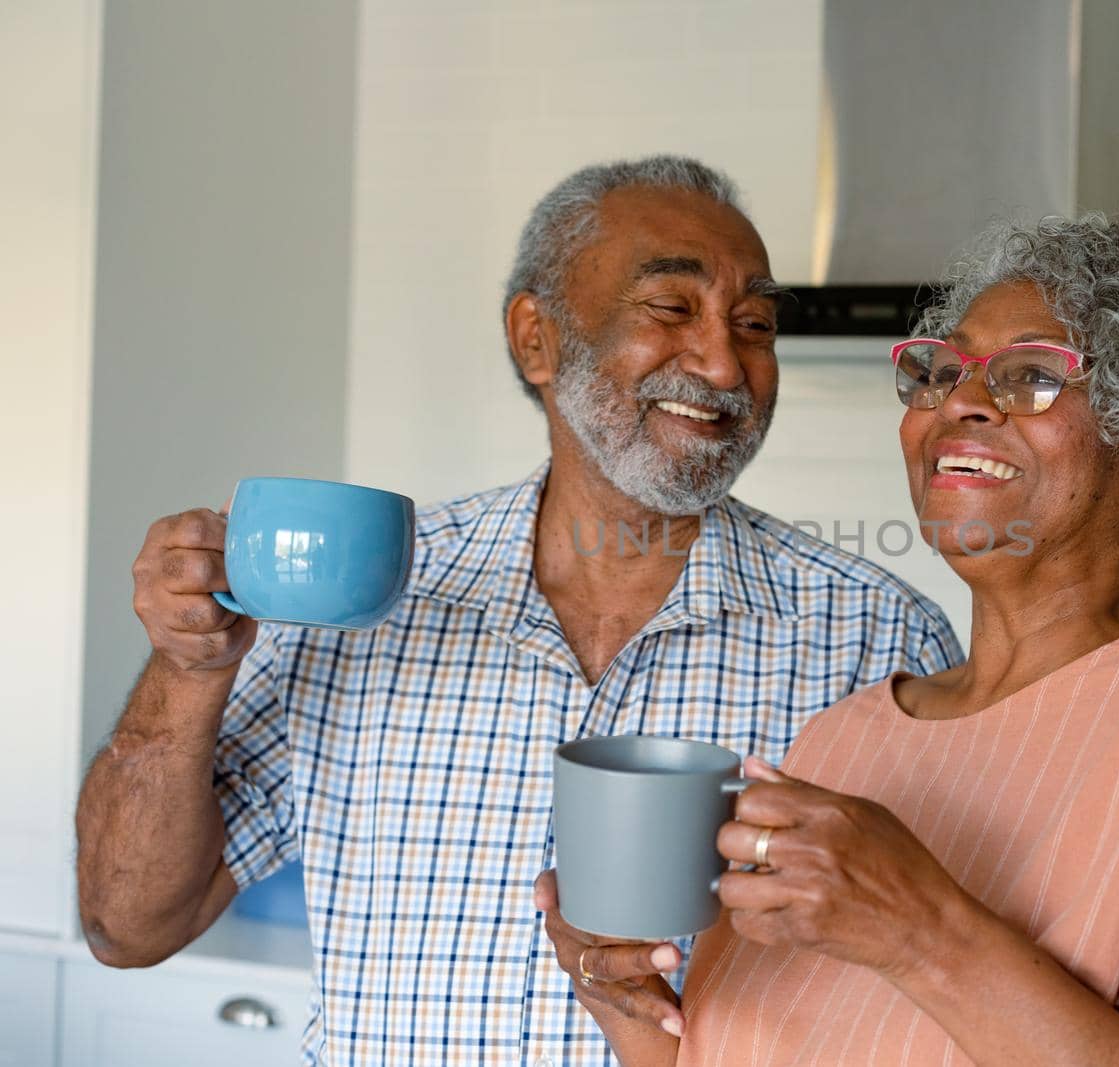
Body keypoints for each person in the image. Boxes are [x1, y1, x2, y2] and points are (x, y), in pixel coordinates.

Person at [74, 155, 962, 1066]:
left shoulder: (877, 637)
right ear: (536, 339)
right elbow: (126, 923)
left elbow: (935, 1000)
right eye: (671, 308)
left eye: (757, 324)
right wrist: (189, 669)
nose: (723, 361)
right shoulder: (366, 599)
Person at [540, 214, 1119, 1065]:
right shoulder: (844, 738)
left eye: (1031, 376)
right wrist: (625, 1003)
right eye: (939, 371)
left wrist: (923, 929)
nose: (958, 401)